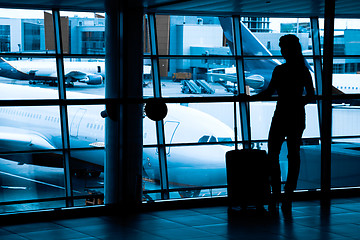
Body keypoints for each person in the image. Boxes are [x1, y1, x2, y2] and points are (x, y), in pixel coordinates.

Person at [256, 34, 315, 213]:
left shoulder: (280, 70)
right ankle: (289, 191)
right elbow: (311, 96)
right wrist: (298, 102)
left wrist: (249, 97)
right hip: (297, 115)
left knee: (273, 154)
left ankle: (275, 192)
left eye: (283, 48)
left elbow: (268, 93)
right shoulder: (303, 71)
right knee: (293, 155)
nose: (281, 51)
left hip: (280, 115)